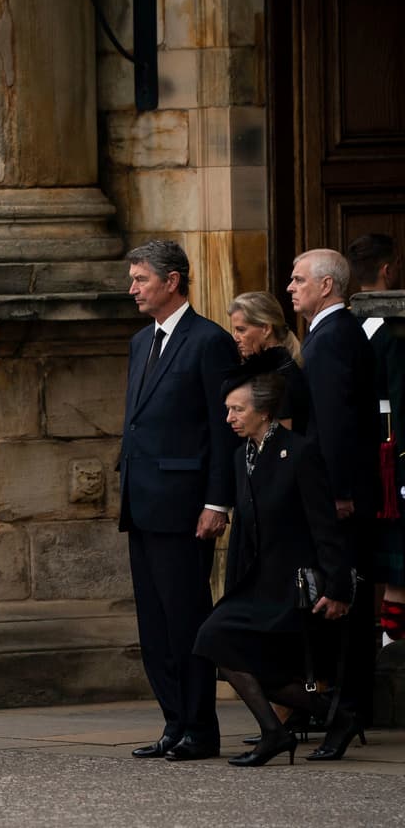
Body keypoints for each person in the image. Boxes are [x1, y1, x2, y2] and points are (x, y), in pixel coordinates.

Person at [194, 352, 356, 765]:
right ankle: (326, 717)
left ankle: (286, 729)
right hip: (257, 582)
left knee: (224, 644)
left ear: (263, 411)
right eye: (227, 409)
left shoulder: (299, 453)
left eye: (238, 409)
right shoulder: (240, 456)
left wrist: (337, 588)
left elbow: (325, 527)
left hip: (293, 584)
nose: (229, 417)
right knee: (220, 643)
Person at [119, 241, 237, 762]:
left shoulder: (209, 340)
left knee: (186, 617)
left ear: (173, 281)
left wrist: (217, 502)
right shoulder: (141, 341)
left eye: (141, 279)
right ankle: (172, 721)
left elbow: (221, 430)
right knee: (154, 623)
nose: (133, 289)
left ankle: (200, 727)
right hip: (142, 502)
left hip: (186, 505)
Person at [288, 249, 381, 729]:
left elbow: (335, 424)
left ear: (327, 286)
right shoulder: (335, 333)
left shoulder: (328, 339)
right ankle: (344, 703)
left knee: (342, 598)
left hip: (338, 495)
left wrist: (339, 492)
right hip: (344, 489)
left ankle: (344, 706)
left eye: (298, 279)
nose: (290, 287)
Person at [346, 234, 405, 641]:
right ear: (388, 269)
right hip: (389, 453)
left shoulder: (340, 323)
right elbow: (401, 394)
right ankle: (390, 649)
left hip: (354, 451)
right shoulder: (395, 328)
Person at [226, 291, 311, 434]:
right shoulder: (262, 369)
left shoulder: (282, 375)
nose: (236, 338)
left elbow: (283, 441)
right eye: (234, 330)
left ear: (266, 329)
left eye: (241, 330)